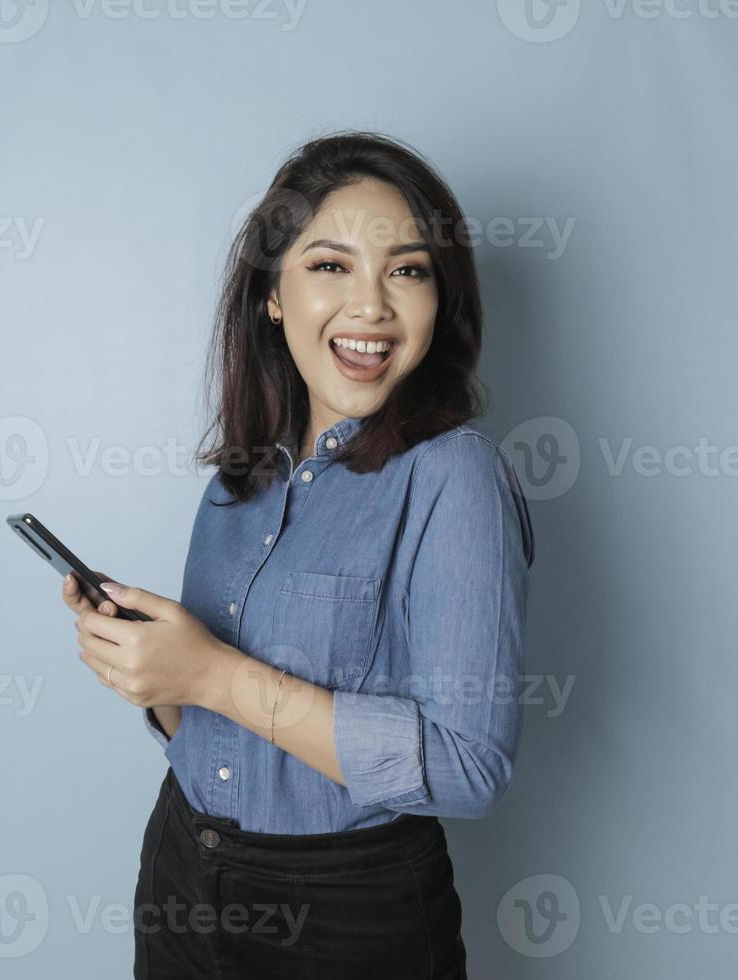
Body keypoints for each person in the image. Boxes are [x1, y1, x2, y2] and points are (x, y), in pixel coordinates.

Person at [60, 130, 535, 979]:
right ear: (273, 296)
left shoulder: (455, 476)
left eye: (408, 269)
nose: (371, 306)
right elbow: (211, 734)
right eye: (329, 266)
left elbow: (469, 768)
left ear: (441, 297)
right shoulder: (237, 481)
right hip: (181, 870)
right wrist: (155, 673)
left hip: (347, 915)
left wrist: (209, 676)